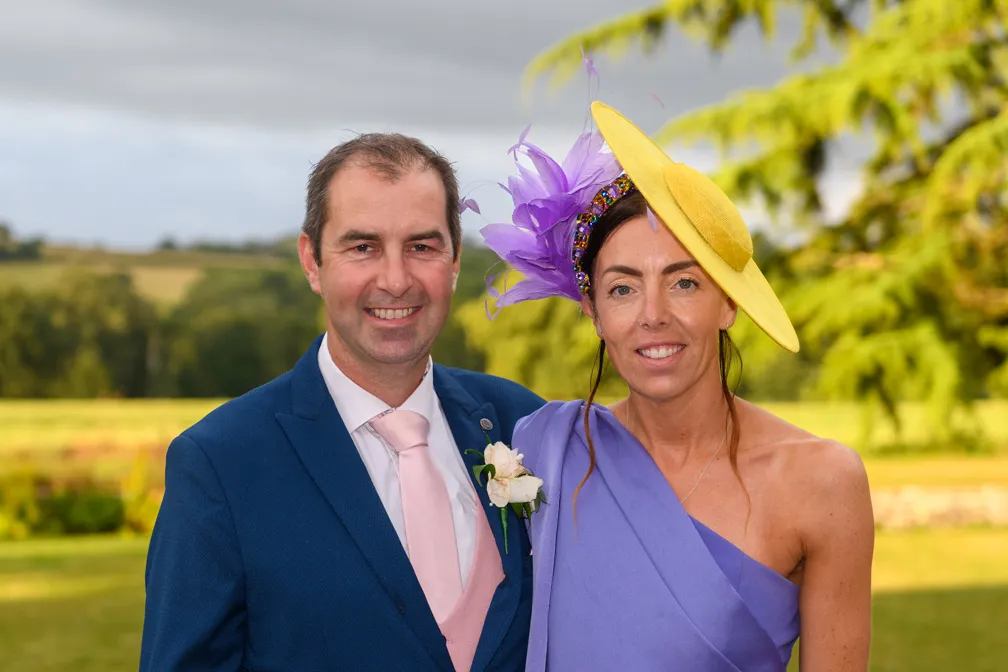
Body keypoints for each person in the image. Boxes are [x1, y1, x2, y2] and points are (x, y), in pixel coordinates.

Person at [480, 102, 874, 671]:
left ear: (729, 301)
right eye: (623, 288)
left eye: (684, 282)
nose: (653, 315)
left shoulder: (822, 482)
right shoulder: (544, 451)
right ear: (592, 311)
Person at [139, 133, 544, 672]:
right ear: (312, 261)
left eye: (422, 246)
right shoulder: (221, 464)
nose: (396, 280)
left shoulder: (524, 424)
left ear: (453, 260)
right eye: (362, 247)